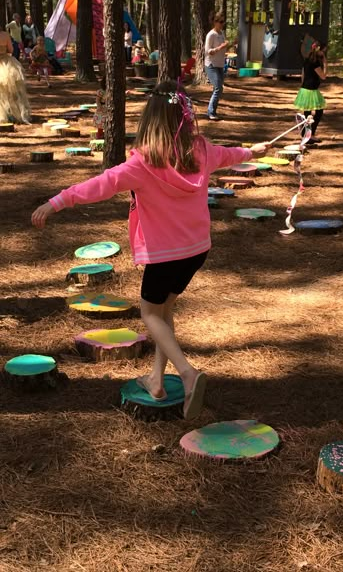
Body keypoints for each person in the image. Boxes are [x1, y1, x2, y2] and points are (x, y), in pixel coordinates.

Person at [31, 79, 272, 419]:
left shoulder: (142, 164)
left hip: (164, 256)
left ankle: (187, 374)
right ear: (184, 119)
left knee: (149, 314)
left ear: (150, 120)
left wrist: (56, 202)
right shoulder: (200, 150)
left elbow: (99, 185)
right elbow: (229, 155)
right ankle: (157, 380)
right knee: (163, 312)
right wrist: (252, 152)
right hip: (196, 250)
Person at [294, 42, 327, 144]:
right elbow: (323, 76)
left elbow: (303, 75)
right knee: (319, 112)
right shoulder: (315, 63)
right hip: (311, 90)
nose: (324, 53)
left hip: (304, 89)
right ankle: (310, 134)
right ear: (320, 51)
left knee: (307, 112)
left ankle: (306, 134)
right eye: (324, 51)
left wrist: (303, 86)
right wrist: (325, 63)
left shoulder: (307, 60)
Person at [0, 27, 31, 124]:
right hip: (5, 62)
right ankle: (12, 114)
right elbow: (11, 50)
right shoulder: (5, 35)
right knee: (11, 91)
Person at [204, 12, 228, 120]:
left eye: (224, 22)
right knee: (218, 87)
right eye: (221, 22)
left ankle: (213, 111)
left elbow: (223, 47)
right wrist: (220, 47)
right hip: (211, 64)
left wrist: (230, 44)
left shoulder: (221, 33)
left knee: (218, 88)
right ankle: (210, 112)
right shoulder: (211, 35)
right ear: (215, 22)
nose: (222, 24)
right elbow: (208, 51)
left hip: (220, 64)